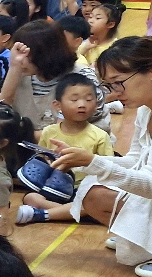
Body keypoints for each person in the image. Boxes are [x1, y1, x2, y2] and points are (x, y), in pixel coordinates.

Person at [50, 38, 152, 277]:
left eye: (119, 82)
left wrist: (93, 162)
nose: (115, 93)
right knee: (93, 191)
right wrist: (87, 159)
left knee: (100, 190)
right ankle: (144, 238)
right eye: (109, 85)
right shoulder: (146, 109)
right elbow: (136, 160)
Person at [17, 74, 110, 224]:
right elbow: (44, 159)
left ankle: (46, 213)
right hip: (54, 188)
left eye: (88, 100)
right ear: (57, 105)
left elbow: (107, 169)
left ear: (96, 104)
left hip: (84, 190)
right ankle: (71, 212)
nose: (82, 104)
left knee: (95, 201)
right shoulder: (49, 132)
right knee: (30, 197)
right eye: (74, 100)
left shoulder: (100, 136)